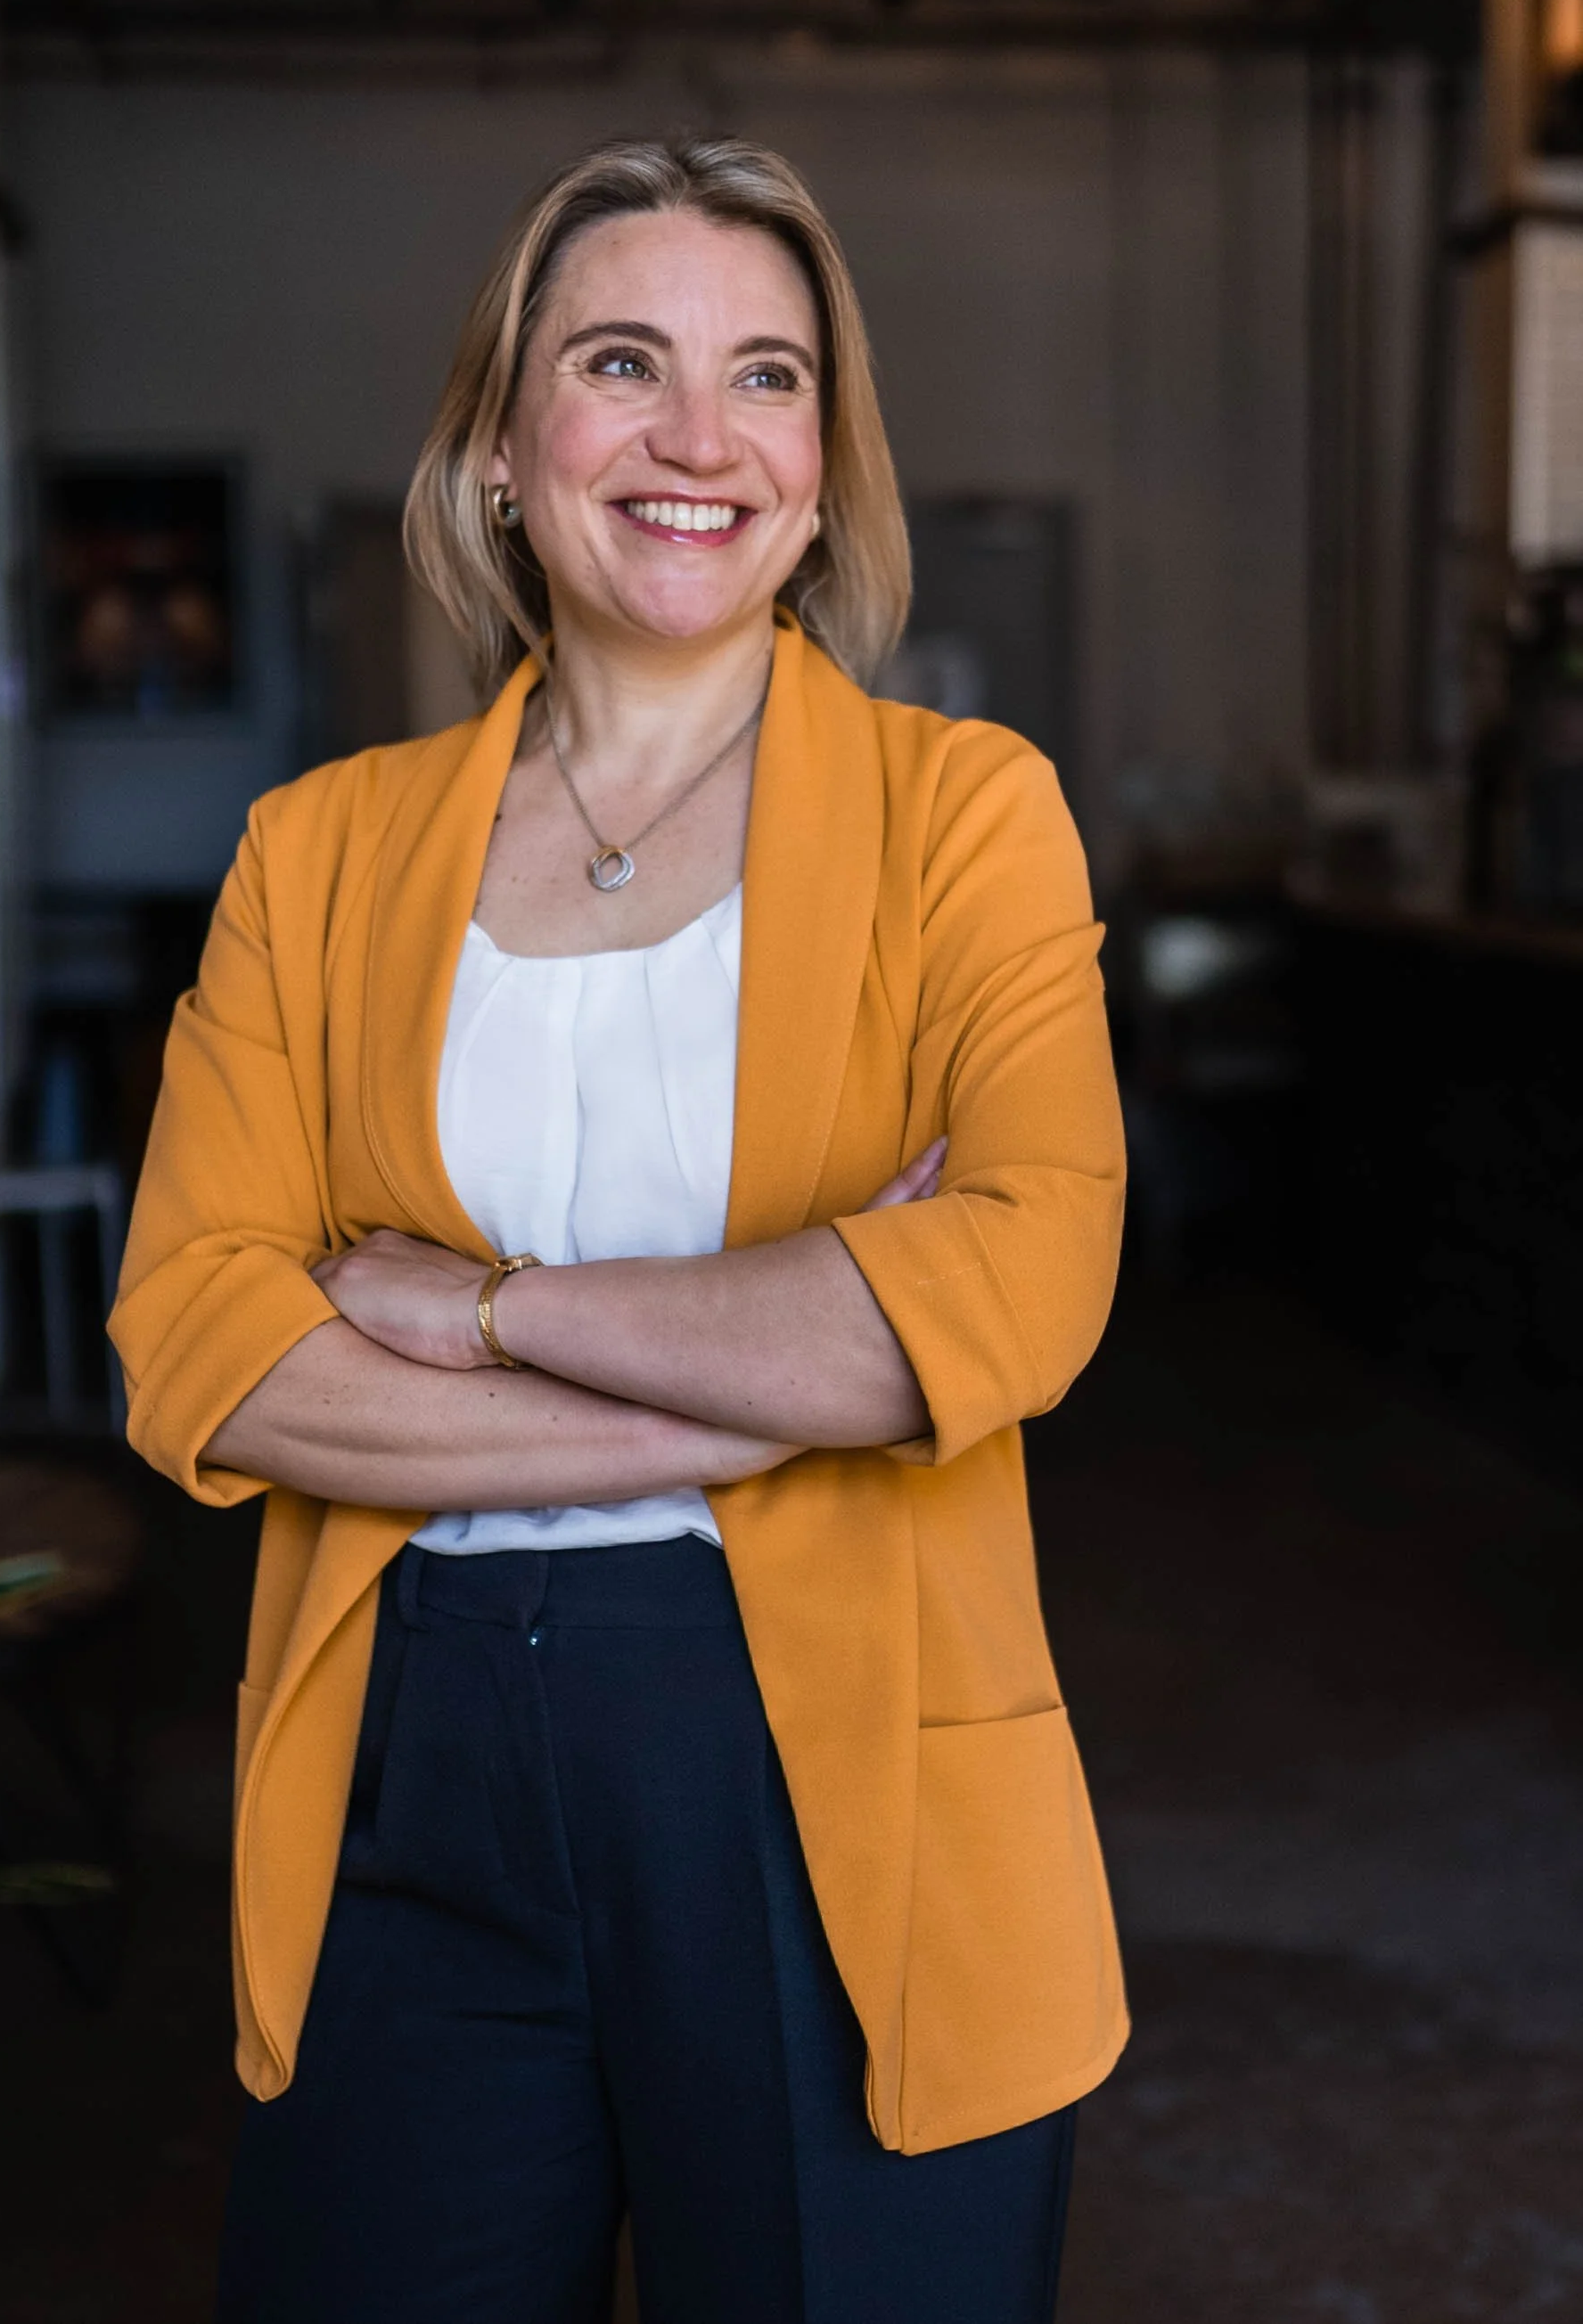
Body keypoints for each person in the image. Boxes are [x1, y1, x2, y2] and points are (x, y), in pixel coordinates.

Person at [111, 135, 1128, 2324]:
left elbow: (1012, 1291)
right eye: (618, 363)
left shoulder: (966, 818)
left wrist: (477, 1313)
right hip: (408, 1765)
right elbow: (201, 1347)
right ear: (499, 447)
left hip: (831, 1784)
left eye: (765, 376)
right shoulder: (313, 854)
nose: (697, 437)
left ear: (821, 470)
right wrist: (766, 1390)